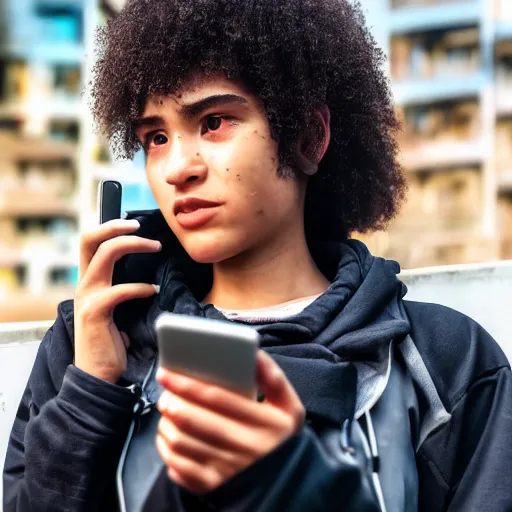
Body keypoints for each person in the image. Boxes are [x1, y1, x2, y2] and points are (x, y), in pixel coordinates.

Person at [3, 0, 512, 510]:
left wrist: (304, 484)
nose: (178, 167)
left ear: (310, 137)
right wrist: (90, 394)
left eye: (215, 121)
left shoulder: (444, 362)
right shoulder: (91, 343)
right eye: (156, 137)